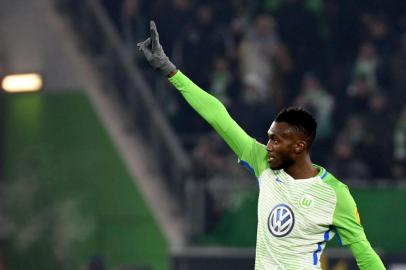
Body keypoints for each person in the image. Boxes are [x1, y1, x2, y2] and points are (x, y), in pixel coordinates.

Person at [137, 21, 385, 270]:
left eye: (276, 140)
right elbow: (218, 116)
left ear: (299, 146)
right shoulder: (263, 163)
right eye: (269, 137)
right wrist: (172, 72)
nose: (268, 145)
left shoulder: (335, 194)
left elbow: (364, 254)